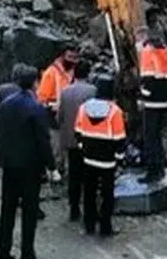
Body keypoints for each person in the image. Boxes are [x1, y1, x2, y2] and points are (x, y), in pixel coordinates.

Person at [0, 64, 55, 259]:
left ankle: (3, 251)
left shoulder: (5, 105)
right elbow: (43, 140)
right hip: (30, 167)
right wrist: (51, 165)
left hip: (9, 165)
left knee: (7, 209)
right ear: (34, 83)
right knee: (29, 211)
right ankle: (27, 254)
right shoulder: (36, 108)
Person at [74, 73, 127, 237]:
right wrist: (120, 158)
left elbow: (78, 132)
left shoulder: (83, 108)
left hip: (89, 158)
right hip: (107, 161)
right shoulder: (115, 112)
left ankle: (89, 224)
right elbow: (119, 139)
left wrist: (84, 148)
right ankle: (105, 227)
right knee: (107, 195)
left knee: (89, 192)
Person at [57, 59, 96, 222]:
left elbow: (60, 117)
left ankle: (74, 208)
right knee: (89, 176)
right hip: (88, 139)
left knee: (73, 174)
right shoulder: (93, 91)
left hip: (70, 139)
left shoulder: (65, 92)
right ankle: (89, 209)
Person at [137, 30, 167, 183]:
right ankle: (160, 168)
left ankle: (153, 171)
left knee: (150, 137)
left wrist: (141, 97)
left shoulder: (147, 53)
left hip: (151, 103)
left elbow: (147, 80)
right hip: (165, 102)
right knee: (159, 137)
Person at [37, 46, 79, 186]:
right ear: (62, 56)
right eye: (70, 57)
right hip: (54, 117)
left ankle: (66, 174)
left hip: (71, 116)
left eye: (75, 58)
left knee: (69, 148)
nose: (72, 60)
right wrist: (53, 105)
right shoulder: (51, 73)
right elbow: (42, 98)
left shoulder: (73, 72)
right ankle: (54, 174)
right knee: (56, 147)